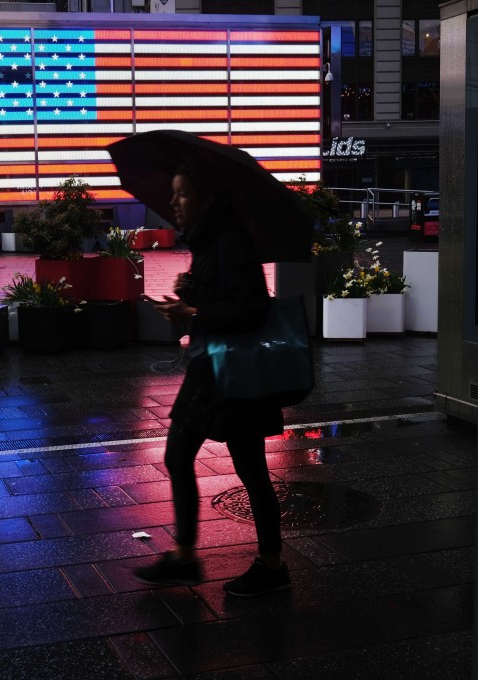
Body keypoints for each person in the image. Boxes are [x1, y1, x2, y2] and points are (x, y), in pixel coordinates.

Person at [133, 165, 291, 597]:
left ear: (206, 200)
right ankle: (186, 556)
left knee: (248, 469)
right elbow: (221, 298)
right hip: (213, 370)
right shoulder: (208, 241)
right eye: (173, 194)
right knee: (181, 455)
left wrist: (195, 313)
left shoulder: (229, 242)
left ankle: (269, 567)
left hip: (232, 375)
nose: (173, 203)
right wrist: (190, 291)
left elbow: (252, 309)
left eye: (182, 194)